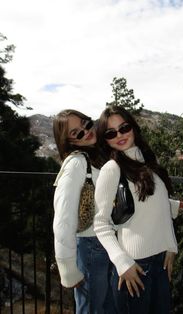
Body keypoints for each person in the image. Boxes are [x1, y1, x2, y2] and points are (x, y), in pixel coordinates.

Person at [94, 105, 180, 314]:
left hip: (160, 263)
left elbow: (158, 207)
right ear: (105, 139)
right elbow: (101, 223)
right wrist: (123, 263)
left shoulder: (148, 161)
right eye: (111, 133)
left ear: (133, 127)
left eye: (124, 128)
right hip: (135, 268)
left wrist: (171, 245)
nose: (120, 135)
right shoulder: (112, 169)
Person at [52, 109, 115, 314]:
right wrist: (67, 268)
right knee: (93, 309)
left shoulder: (101, 156)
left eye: (86, 124)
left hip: (111, 243)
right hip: (91, 247)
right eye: (76, 133)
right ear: (68, 140)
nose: (86, 132)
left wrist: (171, 207)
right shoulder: (76, 163)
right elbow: (63, 217)